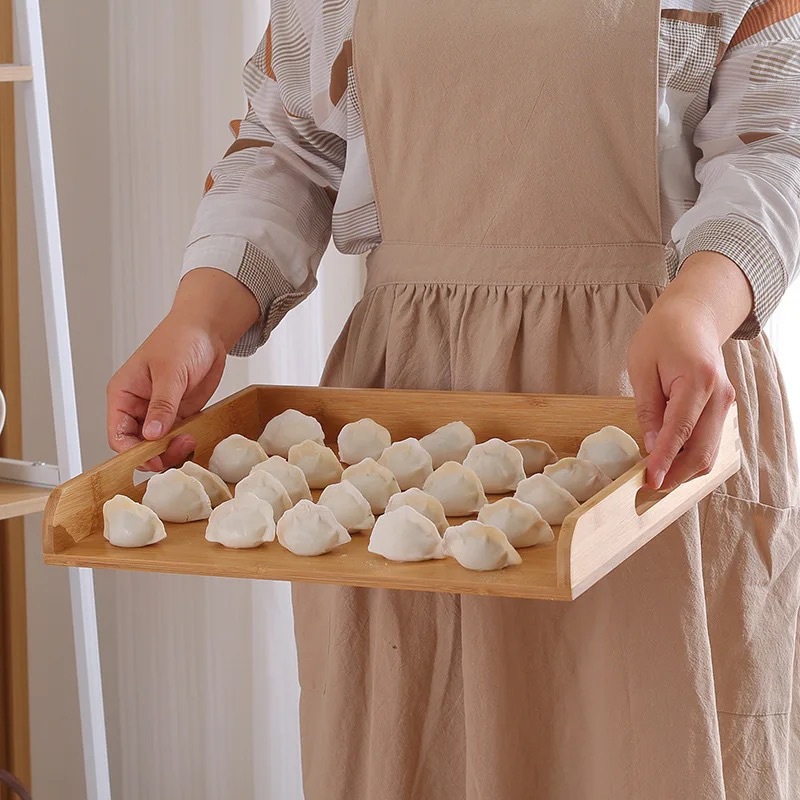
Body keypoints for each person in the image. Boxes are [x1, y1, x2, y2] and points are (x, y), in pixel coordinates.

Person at [107, 1, 800, 797]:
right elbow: (287, 149)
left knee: (646, 744)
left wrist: (700, 305)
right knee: (422, 744)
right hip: (409, 418)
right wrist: (199, 317)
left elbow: (778, 145)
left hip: (656, 400)